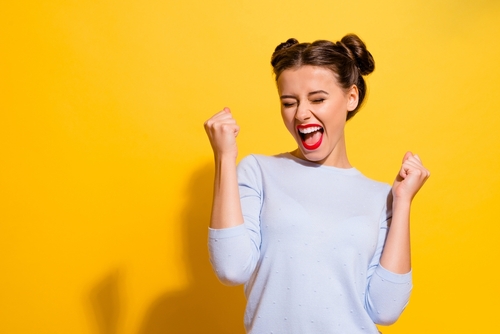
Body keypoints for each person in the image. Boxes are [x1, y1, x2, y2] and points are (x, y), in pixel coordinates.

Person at [203, 34, 430, 334]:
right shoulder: (258, 172)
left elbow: (385, 309)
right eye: (289, 102)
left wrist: (402, 202)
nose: (300, 114)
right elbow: (231, 268)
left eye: (318, 99)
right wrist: (224, 157)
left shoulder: (380, 197)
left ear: (351, 97)